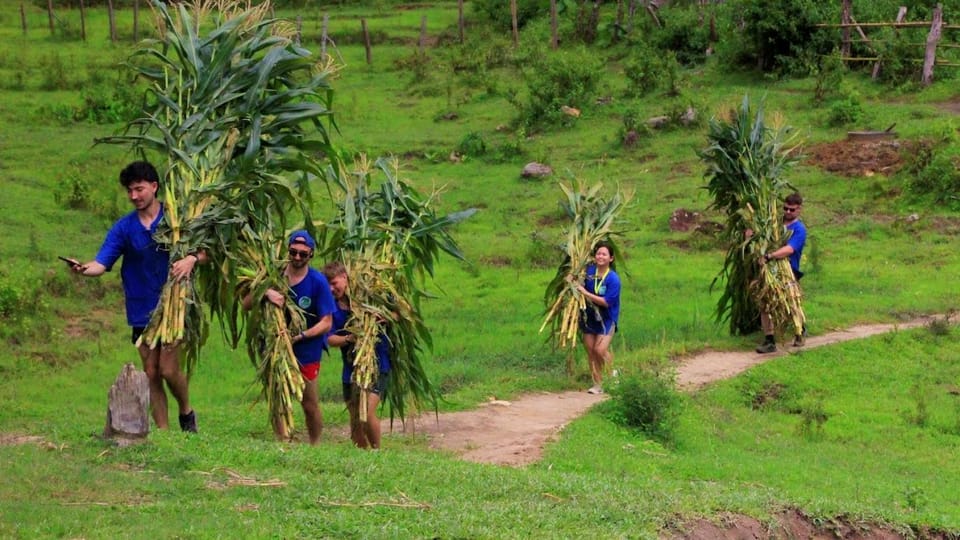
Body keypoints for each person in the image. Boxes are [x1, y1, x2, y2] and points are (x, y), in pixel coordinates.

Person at [68, 161, 202, 432]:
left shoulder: (176, 218)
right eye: (130, 191)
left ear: (154, 187)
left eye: (139, 189)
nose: (134, 196)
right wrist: (84, 269)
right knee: (150, 372)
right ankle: (164, 432)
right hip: (141, 307)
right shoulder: (124, 228)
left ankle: (186, 412)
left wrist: (191, 259)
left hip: (175, 306)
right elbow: (102, 263)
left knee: (168, 369)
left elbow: (207, 250)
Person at [243, 230, 335, 444]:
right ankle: (282, 441)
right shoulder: (272, 275)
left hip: (306, 349)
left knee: (309, 403)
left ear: (310, 255)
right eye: (293, 252)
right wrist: (265, 292)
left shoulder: (317, 282)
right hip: (275, 344)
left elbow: (327, 322)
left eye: (302, 254)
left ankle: (316, 444)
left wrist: (301, 335)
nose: (296, 257)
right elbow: (246, 304)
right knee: (277, 398)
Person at [323, 261, 391, 450]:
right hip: (351, 369)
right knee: (355, 418)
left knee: (366, 412)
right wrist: (349, 339)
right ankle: (361, 457)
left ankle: (378, 454)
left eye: (334, 283)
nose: (331, 289)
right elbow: (329, 338)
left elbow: (400, 312)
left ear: (345, 277)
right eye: (327, 285)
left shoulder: (369, 294)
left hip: (377, 364)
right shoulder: (331, 308)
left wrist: (386, 317)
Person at [756, 192, 808, 354]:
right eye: (785, 208)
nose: (787, 212)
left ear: (799, 209)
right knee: (764, 303)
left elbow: (790, 249)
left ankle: (799, 331)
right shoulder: (773, 223)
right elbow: (762, 237)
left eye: (792, 210)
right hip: (770, 270)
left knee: (791, 303)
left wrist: (770, 255)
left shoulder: (799, 229)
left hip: (788, 270)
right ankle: (769, 340)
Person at [569, 241, 621, 395]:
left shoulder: (613, 279)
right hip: (589, 317)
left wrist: (584, 292)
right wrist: (571, 279)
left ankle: (613, 374)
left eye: (604, 254)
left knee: (600, 349)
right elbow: (572, 279)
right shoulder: (589, 271)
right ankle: (597, 384)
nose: (600, 256)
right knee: (591, 351)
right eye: (598, 253)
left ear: (611, 258)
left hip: (606, 318)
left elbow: (605, 302)